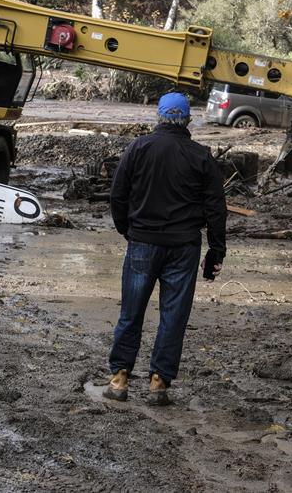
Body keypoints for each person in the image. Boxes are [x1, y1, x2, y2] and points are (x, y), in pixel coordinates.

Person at [103, 92, 227, 406]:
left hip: (143, 242)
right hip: (184, 248)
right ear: (188, 120)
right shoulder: (201, 155)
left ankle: (119, 379)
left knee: (131, 312)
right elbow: (216, 208)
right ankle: (158, 383)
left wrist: (127, 230)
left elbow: (117, 196)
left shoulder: (138, 148)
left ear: (158, 117)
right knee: (173, 316)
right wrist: (216, 251)